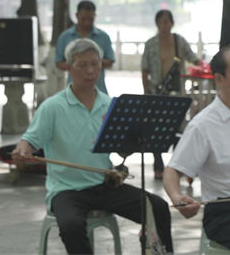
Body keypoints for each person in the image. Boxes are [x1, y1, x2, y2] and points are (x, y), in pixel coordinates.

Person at [13, 39, 172, 254]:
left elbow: (121, 149)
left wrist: (135, 140)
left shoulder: (109, 104)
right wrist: (23, 152)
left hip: (103, 185)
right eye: (83, 65)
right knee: (71, 227)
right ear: (69, 69)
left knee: (158, 208)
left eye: (95, 64)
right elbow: (29, 141)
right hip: (66, 190)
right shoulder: (52, 107)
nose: (91, 71)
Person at [163, 46, 230, 251]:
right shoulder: (203, 124)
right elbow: (172, 171)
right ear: (220, 79)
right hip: (225, 211)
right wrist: (178, 198)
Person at [141, 9, 201, 178]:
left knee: (179, 129)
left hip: (177, 94)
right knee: (155, 128)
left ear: (172, 23)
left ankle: (177, 167)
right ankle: (158, 165)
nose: (163, 26)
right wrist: (146, 93)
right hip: (156, 92)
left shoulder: (179, 41)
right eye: (160, 22)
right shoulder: (151, 43)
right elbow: (144, 69)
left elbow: (194, 59)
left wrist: (206, 66)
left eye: (166, 22)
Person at [55, 1, 115, 95]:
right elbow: (58, 62)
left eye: (90, 19)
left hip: (99, 89)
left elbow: (110, 61)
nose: (86, 22)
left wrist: (91, 62)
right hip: (73, 91)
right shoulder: (65, 37)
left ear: (95, 16)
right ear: (76, 15)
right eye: (83, 19)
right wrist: (78, 65)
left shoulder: (103, 37)